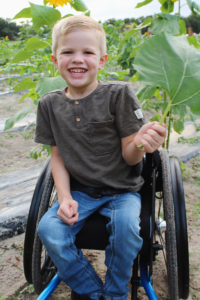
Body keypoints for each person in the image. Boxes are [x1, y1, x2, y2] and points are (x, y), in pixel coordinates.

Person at [35, 15, 166, 300]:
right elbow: (56, 156)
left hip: (122, 191)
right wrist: (64, 196)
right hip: (80, 192)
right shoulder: (49, 104)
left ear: (102, 60)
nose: (77, 59)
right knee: (48, 229)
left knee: (128, 229)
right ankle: (94, 291)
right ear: (55, 60)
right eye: (68, 52)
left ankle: (117, 292)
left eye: (87, 52)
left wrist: (142, 143)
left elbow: (131, 159)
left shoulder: (118, 95)